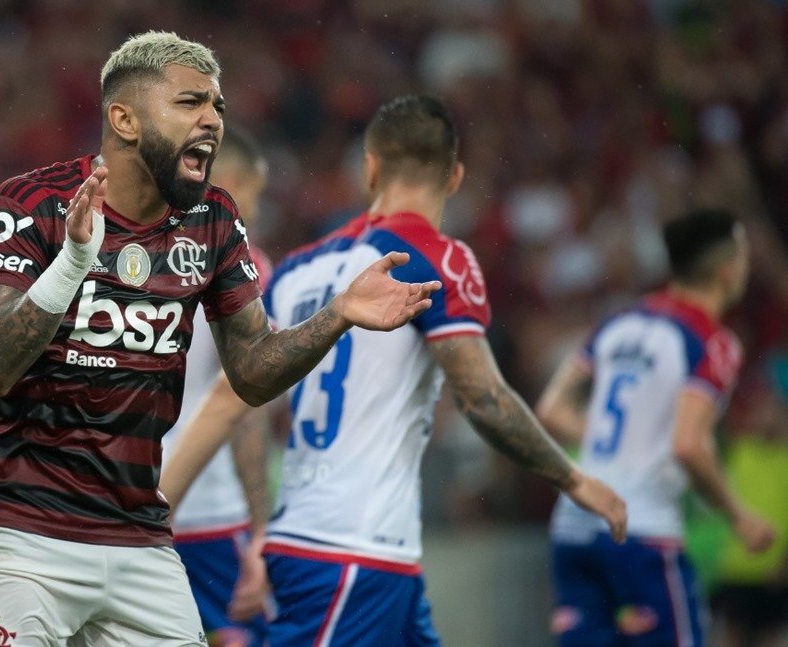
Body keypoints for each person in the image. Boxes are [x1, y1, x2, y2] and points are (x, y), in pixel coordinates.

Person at [0, 31, 442, 647]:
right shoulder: (29, 204)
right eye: (191, 103)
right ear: (123, 118)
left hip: (141, 538)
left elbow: (253, 373)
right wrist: (73, 263)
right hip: (24, 535)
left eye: (218, 106)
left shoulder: (212, 220)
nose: (212, 120)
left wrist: (337, 315)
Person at [161, 94, 627, 646]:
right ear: (454, 177)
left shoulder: (296, 269)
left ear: (370, 168)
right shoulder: (437, 259)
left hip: (365, 551)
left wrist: (159, 510)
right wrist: (573, 479)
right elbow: (484, 399)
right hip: (348, 551)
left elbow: (230, 403)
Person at [536, 208, 777, 647]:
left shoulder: (618, 322)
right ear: (727, 271)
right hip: (641, 531)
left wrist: (621, 443)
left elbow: (551, 409)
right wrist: (739, 517)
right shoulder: (712, 343)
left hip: (573, 525)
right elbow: (689, 444)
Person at [160, 125, 273, 647]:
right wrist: (260, 525)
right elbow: (245, 401)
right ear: (229, 184)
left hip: (131, 494)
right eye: (253, 193)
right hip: (209, 503)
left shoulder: (138, 249)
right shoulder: (243, 265)